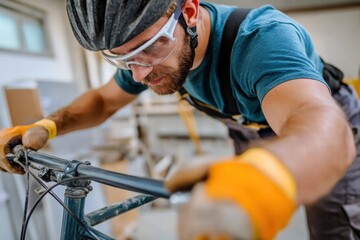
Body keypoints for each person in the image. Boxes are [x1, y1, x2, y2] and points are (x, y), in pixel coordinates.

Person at [0, 0, 359, 239]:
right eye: (123, 59)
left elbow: (313, 118)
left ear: (188, 11)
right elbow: (101, 100)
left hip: (327, 131)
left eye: (149, 48)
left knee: (332, 225)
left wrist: (265, 179)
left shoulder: (261, 40)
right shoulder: (152, 53)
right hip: (250, 129)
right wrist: (46, 126)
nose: (138, 74)